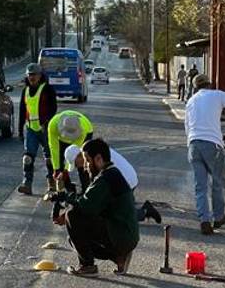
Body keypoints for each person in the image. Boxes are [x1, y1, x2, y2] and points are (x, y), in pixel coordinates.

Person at [51, 139, 139, 276]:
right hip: (126, 235)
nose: (85, 166)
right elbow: (91, 202)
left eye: (87, 161)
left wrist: (65, 197)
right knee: (75, 239)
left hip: (121, 234)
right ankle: (119, 258)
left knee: (72, 215)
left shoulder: (105, 178)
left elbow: (85, 206)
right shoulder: (112, 173)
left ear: (98, 158)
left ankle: (87, 266)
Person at [185, 73, 225, 235]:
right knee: (216, 182)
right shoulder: (216, 95)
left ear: (195, 87)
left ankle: (204, 219)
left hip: (193, 145)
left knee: (200, 186)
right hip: (212, 145)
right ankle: (218, 216)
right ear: (209, 84)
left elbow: (187, 126)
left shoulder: (191, 101)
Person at [65, 144, 161, 224]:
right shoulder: (92, 148)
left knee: (113, 213)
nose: (78, 167)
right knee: (116, 209)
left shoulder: (92, 158)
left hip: (126, 180)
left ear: (79, 156)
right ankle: (144, 210)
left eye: (76, 164)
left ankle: (145, 211)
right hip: (128, 176)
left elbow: (92, 191)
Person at [16, 63, 58, 195]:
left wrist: (47, 122)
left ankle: (52, 184)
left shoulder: (48, 89)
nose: (32, 77)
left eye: (34, 75)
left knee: (49, 158)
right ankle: (27, 184)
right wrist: (20, 130)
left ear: (40, 76)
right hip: (31, 129)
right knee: (27, 157)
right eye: (29, 75)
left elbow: (53, 108)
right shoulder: (26, 91)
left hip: (45, 129)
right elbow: (22, 110)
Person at [48, 110, 94, 191]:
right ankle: (69, 190)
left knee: (82, 163)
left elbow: (75, 154)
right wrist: (56, 168)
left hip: (86, 132)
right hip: (61, 138)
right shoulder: (53, 125)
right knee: (60, 161)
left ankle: (86, 190)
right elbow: (54, 148)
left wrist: (66, 171)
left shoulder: (83, 130)